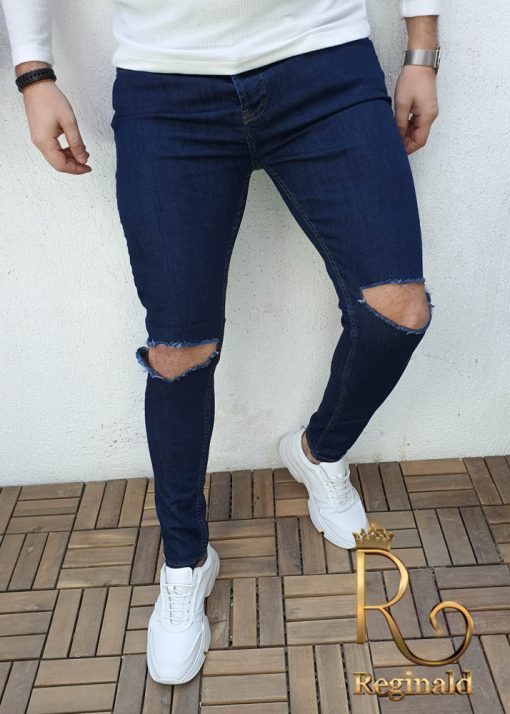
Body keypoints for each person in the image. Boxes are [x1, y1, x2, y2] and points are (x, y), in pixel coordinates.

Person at [1, 0, 440, 686]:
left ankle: (317, 451)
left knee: (399, 310)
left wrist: (422, 52)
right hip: (166, 86)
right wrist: (34, 74)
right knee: (179, 351)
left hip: (322, 59)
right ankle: (186, 558)